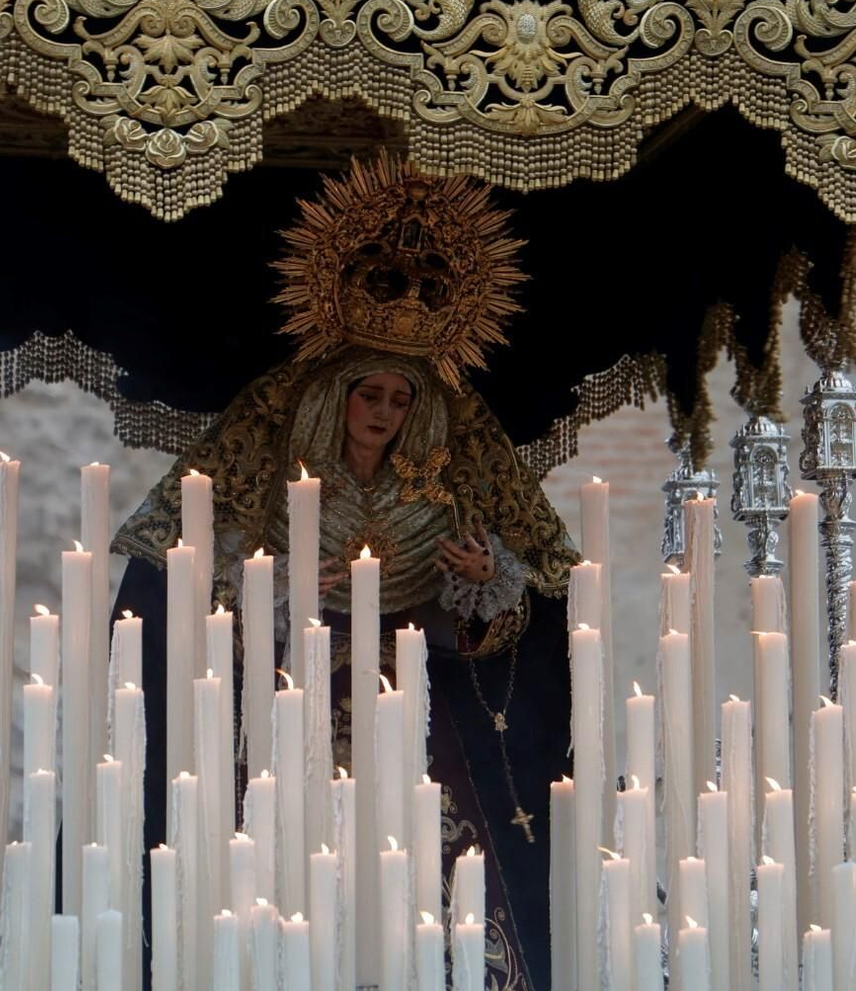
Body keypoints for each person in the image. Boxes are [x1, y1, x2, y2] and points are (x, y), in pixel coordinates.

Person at [114, 340, 579, 990]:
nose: (383, 411)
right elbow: (200, 606)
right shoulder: (277, 495)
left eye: (400, 399)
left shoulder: (433, 501)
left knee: (427, 880)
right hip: (294, 701)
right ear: (338, 398)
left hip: (407, 716)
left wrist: (483, 578)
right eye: (370, 394)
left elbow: (488, 629)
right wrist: (268, 583)